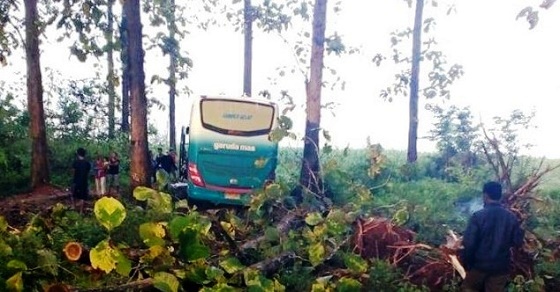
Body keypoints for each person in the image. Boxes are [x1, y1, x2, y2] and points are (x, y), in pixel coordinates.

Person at [460, 181, 524, 292]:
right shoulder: (511, 217)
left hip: (479, 266)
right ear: (500, 196)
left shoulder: (478, 216)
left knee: (468, 288)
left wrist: (467, 263)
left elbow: (469, 244)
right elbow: (517, 242)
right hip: (501, 268)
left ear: (485, 195)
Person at [72, 147, 91, 213]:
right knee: (82, 196)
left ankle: (74, 208)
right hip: (84, 181)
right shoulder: (87, 163)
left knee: (74, 194)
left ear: (78, 154)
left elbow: (73, 172)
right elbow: (87, 172)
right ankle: (81, 211)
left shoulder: (75, 162)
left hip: (76, 181)